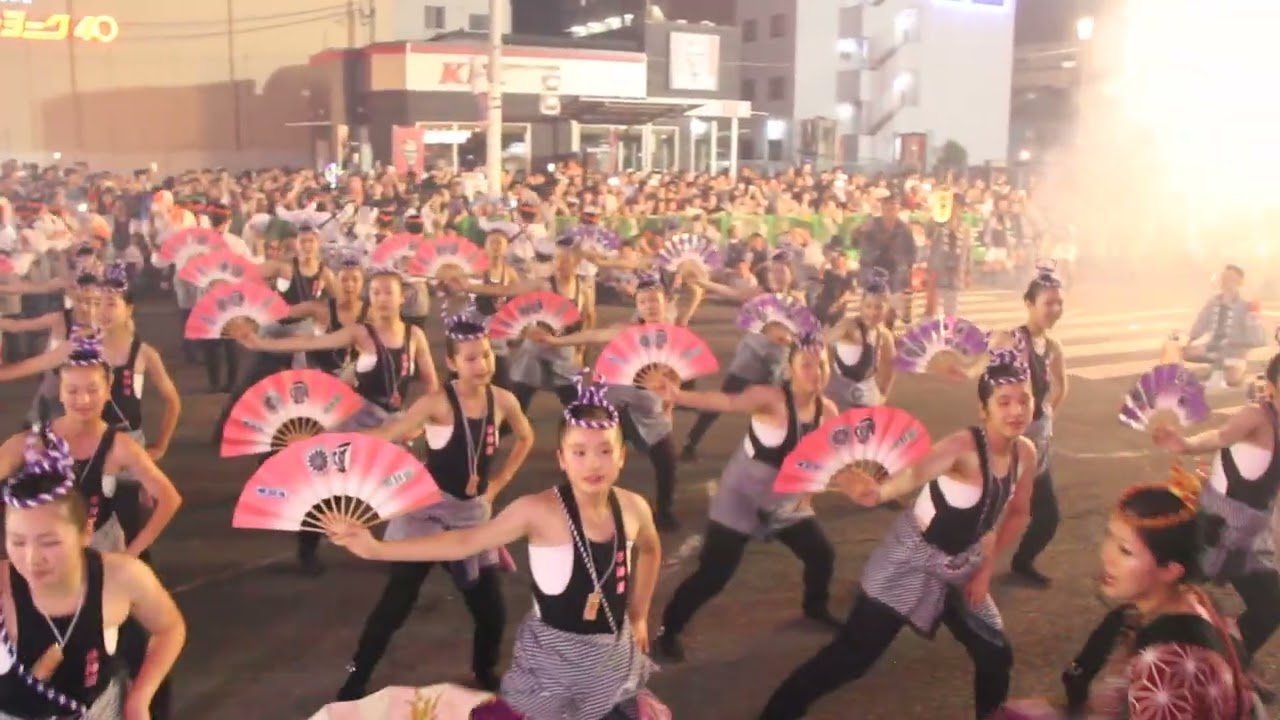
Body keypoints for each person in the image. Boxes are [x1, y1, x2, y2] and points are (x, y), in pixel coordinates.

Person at [325, 371, 666, 720]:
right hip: (550, 670)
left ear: (622, 455)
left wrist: (638, 615)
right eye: (579, 452)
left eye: (605, 450)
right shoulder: (537, 511)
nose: (593, 463)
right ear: (561, 459)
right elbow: (464, 541)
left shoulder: (633, 507)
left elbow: (651, 549)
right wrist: (377, 549)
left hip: (612, 661)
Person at [759, 349, 1036, 720]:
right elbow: (913, 473)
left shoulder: (1026, 453)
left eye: (1024, 399)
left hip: (963, 563)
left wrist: (985, 571)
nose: (1016, 410)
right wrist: (879, 492)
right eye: (1004, 402)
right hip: (909, 562)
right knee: (850, 659)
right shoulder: (963, 448)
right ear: (983, 410)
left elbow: (1017, 514)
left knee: (995, 653)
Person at [336, 305, 535, 699]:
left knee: (491, 612)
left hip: (472, 516)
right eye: (472, 358)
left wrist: (498, 483)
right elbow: (393, 431)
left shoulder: (504, 400)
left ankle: (484, 669)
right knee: (395, 604)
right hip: (427, 511)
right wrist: (335, 442)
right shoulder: (437, 403)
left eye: (487, 355)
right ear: (452, 362)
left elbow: (526, 438)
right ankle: (355, 677)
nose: (482, 364)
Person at [654, 334, 842, 662]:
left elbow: (827, 457)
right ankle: (669, 630)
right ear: (790, 368)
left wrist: (820, 491)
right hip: (740, 497)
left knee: (822, 555)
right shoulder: (768, 398)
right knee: (714, 575)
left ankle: (815, 607)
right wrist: (677, 394)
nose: (815, 371)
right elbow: (724, 402)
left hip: (785, 501)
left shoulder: (827, 410)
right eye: (807, 364)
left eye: (821, 364)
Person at [1034, 468, 1260, 718]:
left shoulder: (1171, 671)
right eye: (1110, 537)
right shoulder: (1188, 599)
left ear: (1170, 570)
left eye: (1125, 551)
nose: (1107, 556)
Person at [0, 431, 185, 720]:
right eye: (18, 542)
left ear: (86, 532)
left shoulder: (121, 578)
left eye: (50, 542)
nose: (32, 559)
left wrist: (140, 698)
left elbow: (170, 627)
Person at [1151, 351, 1280, 671]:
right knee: (1268, 605)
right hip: (1223, 529)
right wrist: (1186, 445)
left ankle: (1229, 660)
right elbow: (1221, 435)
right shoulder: (1257, 417)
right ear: (1273, 388)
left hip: (1250, 531)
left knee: (1266, 605)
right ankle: (1222, 662)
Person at [993, 264, 1067, 587]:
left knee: (1047, 517)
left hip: (1038, 447)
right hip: (1007, 445)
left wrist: (1046, 415)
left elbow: (1062, 385)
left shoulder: (1053, 347)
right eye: (1048, 302)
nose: (1055, 309)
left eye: (1059, 303)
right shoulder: (1010, 339)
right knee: (980, 511)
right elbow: (987, 385)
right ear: (1029, 303)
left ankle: (1023, 562)